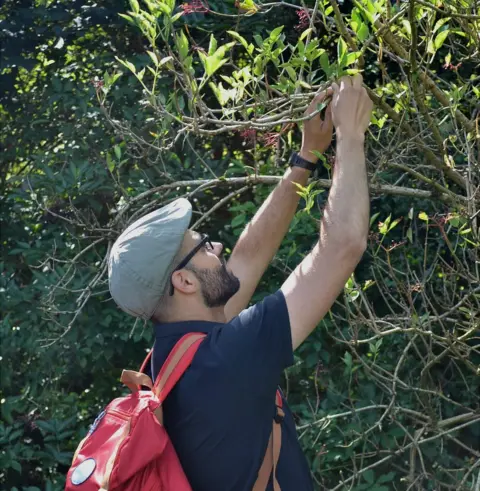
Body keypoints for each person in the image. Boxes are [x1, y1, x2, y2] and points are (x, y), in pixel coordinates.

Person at [108, 74, 373, 491]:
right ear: (184, 281)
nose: (219, 245)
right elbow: (343, 244)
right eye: (203, 246)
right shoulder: (225, 360)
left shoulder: (174, 359)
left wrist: (305, 158)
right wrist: (352, 134)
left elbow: (247, 257)